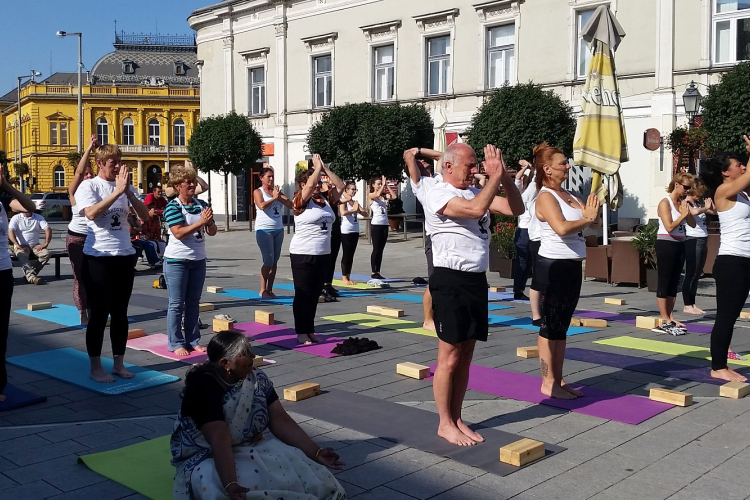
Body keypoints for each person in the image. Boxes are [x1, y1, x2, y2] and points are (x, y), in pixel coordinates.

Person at [426, 143, 524, 446]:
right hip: (450, 279)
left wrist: (505, 177)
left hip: (474, 279)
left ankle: (456, 417)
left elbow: (515, 209)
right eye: (469, 165)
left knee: (466, 356)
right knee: (449, 357)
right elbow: (475, 210)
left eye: (475, 165)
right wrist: (494, 175)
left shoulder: (472, 192)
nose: (474, 170)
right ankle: (444, 423)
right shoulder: (438, 193)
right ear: (449, 166)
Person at [171, 331, 346, 500]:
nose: (253, 356)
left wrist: (315, 452)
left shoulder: (256, 378)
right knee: (215, 479)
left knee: (292, 461)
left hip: (248, 446)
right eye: (245, 353)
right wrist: (230, 483)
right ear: (226, 364)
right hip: (205, 454)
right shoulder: (203, 388)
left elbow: (279, 418)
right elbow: (219, 438)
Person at [75, 143, 151, 383]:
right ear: (99, 164)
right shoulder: (89, 185)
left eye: (120, 162)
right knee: (99, 313)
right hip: (98, 258)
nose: (118, 166)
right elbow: (91, 214)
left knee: (121, 313)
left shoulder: (124, 187)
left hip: (124, 255)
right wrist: (116, 192)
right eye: (113, 163)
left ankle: (119, 363)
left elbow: (145, 215)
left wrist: (127, 192)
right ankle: (96, 367)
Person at [533, 142, 601, 400]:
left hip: (573, 264)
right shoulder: (545, 196)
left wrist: (593, 217)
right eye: (563, 163)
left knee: (561, 326)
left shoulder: (571, 194)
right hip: (554, 265)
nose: (568, 166)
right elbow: (561, 228)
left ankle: (558, 379)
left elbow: (590, 227)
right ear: (548, 169)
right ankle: (547, 381)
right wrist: (586, 218)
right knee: (550, 326)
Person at [700, 137, 750, 382]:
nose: (742, 167)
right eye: (738, 164)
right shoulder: (722, 191)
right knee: (727, 316)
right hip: (732, 261)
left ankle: (722, 363)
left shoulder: (743, 194)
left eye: (744, 163)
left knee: (732, 314)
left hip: (746, 260)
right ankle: (718, 366)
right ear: (724, 172)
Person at [163, 164, 218, 355]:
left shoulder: (201, 205)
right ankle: (176, 342)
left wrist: (208, 222)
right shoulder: (172, 206)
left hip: (198, 260)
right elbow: (178, 233)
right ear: (178, 186)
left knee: (194, 303)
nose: (192, 185)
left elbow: (212, 231)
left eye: (193, 181)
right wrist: (201, 222)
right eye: (188, 182)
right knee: (177, 304)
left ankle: (193, 340)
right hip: (177, 261)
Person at [290, 155, 338, 344]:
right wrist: (316, 170)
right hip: (302, 253)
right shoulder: (299, 201)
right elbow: (309, 187)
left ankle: (309, 329)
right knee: (302, 292)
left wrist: (325, 169)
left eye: (319, 184)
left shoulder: (325, 200)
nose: (318, 186)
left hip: (323, 253)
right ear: (303, 185)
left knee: (314, 293)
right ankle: (301, 331)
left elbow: (340, 186)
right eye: (315, 183)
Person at [0, 165, 37, 403]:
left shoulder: (3, 201)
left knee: (1, 332)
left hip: (2, 271)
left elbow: (30, 207)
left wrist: (5, 185)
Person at [404, 147, 444, 331]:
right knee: (434, 279)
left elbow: (442, 156)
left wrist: (420, 150)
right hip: (433, 236)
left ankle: (443, 314)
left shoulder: (438, 179)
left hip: (447, 236)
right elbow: (409, 156)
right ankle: (428, 320)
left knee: (447, 278)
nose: (425, 161)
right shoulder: (419, 183)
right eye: (421, 162)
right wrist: (414, 154)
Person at [653, 173, 696, 335]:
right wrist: (683, 216)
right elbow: (669, 226)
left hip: (680, 243)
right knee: (665, 280)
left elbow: (691, 224)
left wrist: (688, 213)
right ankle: (664, 318)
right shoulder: (665, 202)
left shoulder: (682, 203)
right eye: (685, 187)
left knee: (674, 281)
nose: (687, 190)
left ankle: (670, 316)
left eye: (689, 188)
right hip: (666, 243)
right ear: (676, 184)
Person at [67, 134, 97, 324]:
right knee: (80, 276)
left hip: (94, 238)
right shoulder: (74, 191)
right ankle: (82, 311)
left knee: (95, 276)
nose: (87, 176)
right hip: (76, 238)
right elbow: (78, 173)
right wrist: (88, 149)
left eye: (90, 173)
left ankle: (95, 308)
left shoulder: (95, 189)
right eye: (85, 174)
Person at [253, 167, 293, 299]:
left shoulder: (276, 192)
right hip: (264, 230)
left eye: (272, 176)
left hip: (278, 229)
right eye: (268, 176)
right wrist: (274, 198)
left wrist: (279, 196)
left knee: (275, 261)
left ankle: (270, 289)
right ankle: (263, 289)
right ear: (261, 178)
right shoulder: (258, 191)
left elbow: (290, 204)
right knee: (268, 260)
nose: (271, 179)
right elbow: (262, 206)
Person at [682, 180, 715, 315]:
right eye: (698, 194)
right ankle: (687, 304)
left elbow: (714, 212)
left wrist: (710, 206)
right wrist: (705, 208)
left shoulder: (699, 204)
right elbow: (694, 213)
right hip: (692, 239)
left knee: (697, 274)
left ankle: (693, 303)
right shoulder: (686, 203)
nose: (700, 197)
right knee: (691, 273)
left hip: (702, 239)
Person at [512, 159, 538, 301]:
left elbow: (517, 178)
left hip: (522, 231)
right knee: (525, 263)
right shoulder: (528, 194)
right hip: (526, 231)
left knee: (525, 264)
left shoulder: (520, 193)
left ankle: (519, 290)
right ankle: (518, 290)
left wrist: (528, 167)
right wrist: (529, 166)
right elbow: (534, 178)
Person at [8, 208, 51, 285]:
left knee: (46, 254)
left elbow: (48, 229)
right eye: (25, 209)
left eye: (29, 209)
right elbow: (10, 231)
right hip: (21, 245)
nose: (27, 211)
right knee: (22, 255)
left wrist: (46, 243)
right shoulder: (16, 218)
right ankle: (32, 278)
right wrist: (17, 245)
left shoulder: (38, 217)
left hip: (35, 245)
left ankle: (30, 275)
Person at [321, 171, 346, 299]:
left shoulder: (329, 194)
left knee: (333, 255)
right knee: (324, 259)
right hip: (322, 231)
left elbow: (341, 186)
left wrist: (325, 169)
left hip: (334, 225)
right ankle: (321, 286)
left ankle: (328, 283)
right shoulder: (311, 195)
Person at [339, 181, 368, 285]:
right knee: (346, 254)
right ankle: (344, 277)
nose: (354, 191)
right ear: (346, 191)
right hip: (346, 230)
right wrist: (354, 210)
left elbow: (365, 213)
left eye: (355, 189)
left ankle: (348, 276)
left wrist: (358, 209)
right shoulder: (343, 201)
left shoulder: (354, 202)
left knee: (351, 254)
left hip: (355, 230)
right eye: (352, 189)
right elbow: (343, 212)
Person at [368, 175, 396, 280]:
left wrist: (387, 186)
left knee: (381, 249)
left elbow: (394, 197)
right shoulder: (372, 195)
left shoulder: (383, 196)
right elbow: (376, 195)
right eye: (378, 184)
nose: (380, 185)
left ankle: (378, 270)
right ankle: (373, 271)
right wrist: (382, 185)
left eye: (381, 183)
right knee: (376, 248)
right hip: (376, 224)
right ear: (373, 185)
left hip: (384, 224)